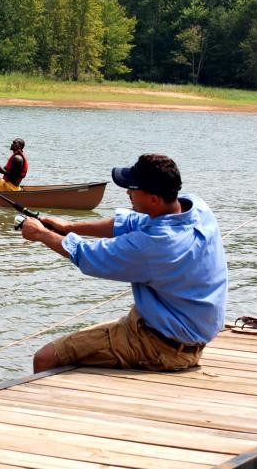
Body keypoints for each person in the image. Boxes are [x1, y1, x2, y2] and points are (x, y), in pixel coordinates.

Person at [20, 153, 228, 374]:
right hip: (182, 335)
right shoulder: (197, 208)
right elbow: (130, 222)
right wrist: (69, 226)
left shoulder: (155, 245)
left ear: (154, 199)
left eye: (132, 189)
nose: (128, 192)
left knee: (45, 358)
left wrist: (41, 234)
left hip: (160, 348)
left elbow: (88, 255)